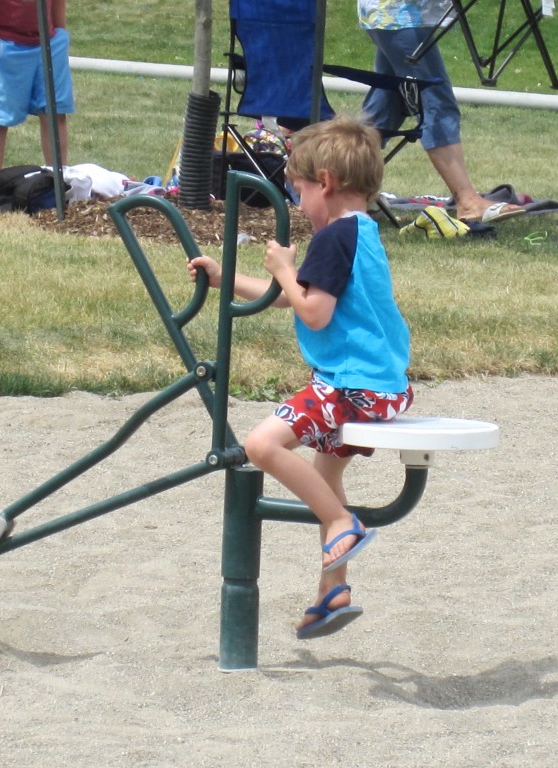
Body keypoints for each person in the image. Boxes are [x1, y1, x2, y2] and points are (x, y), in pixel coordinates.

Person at [188, 116, 413, 640]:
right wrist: (230, 279)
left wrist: (285, 268)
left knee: (261, 444)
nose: (298, 201)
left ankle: (342, 525)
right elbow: (295, 296)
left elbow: (313, 311)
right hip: (382, 386)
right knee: (325, 476)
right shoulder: (361, 232)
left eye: (300, 189)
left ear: (326, 183)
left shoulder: (332, 238)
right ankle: (333, 589)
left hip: (348, 386)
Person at [357, 0, 524, 223]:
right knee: (436, 103)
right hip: (400, 15)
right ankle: (467, 201)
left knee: (387, 102)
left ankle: (351, 191)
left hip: (389, 14)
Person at [0, 0, 75, 179]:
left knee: (54, 112)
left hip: (49, 41)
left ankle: (58, 184)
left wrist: (60, 31)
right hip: (3, 44)